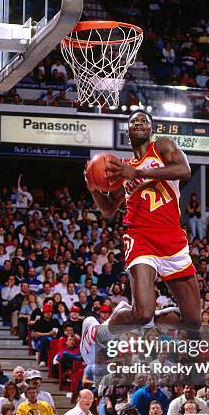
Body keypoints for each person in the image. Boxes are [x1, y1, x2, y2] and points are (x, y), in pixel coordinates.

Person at [81, 110, 201, 364]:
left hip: (173, 241)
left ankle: (130, 317)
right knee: (143, 313)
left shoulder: (163, 147)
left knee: (193, 321)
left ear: (150, 129)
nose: (138, 123)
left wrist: (138, 174)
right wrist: (94, 189)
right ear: (128, 132)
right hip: (140, 239)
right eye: (133, 121)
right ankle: (98, 333)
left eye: (143, 121)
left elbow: (184, 170)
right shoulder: (121, 169)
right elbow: (108, 209)